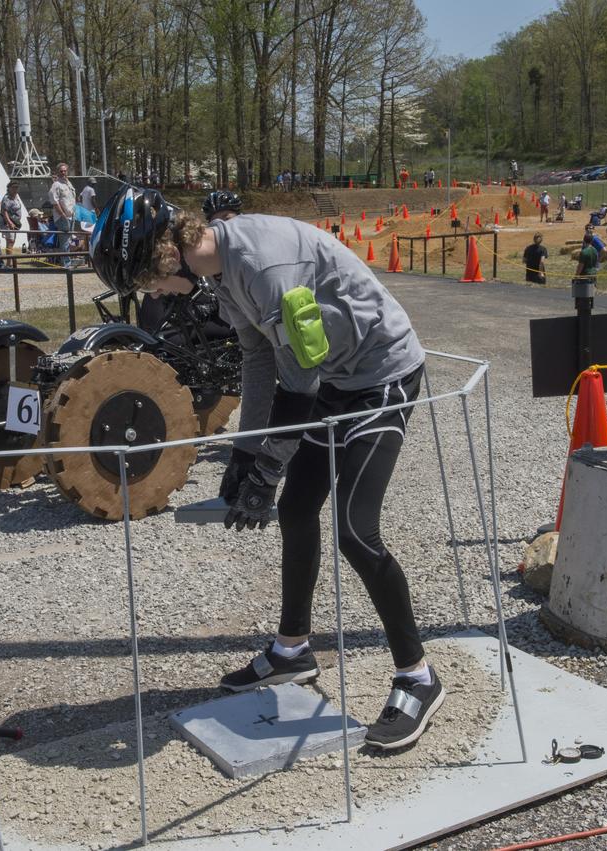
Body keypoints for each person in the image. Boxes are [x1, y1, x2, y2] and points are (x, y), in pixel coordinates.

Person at [89, 188, 445, 751]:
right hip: (332, 377)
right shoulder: (222, 269)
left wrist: (266, 470)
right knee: (297, 511)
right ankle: (293, 650)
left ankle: (418, 677)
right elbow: (258, 359)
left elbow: (298, 386)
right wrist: (246, 454)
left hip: (380, 376)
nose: (152, 294)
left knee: (356, 530)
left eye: (146, 281)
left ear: (166, 255)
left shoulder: (263, 266)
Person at [50, 162, 76, 258]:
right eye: (61, 171)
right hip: (62, 217)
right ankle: (66, 265)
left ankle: (68, 260)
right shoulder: (56, 185)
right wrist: (62, 214)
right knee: (65, 241)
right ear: (58, 172)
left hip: (71, 215)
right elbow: (54, 202)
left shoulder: (68, 183)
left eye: (65, 171)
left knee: (69, 240)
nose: (63, 173)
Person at [1, 182, 24, 257]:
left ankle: (9, 262)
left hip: (15, 222)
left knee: (12, 241)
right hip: (8, 222)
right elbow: (4, 211)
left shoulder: (16, 196)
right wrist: (9, 222)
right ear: (9, 188)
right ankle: (9, 263)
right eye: (13, 187)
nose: (15, 189)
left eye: (17, 187)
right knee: (10, 241)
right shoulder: (7, 198)